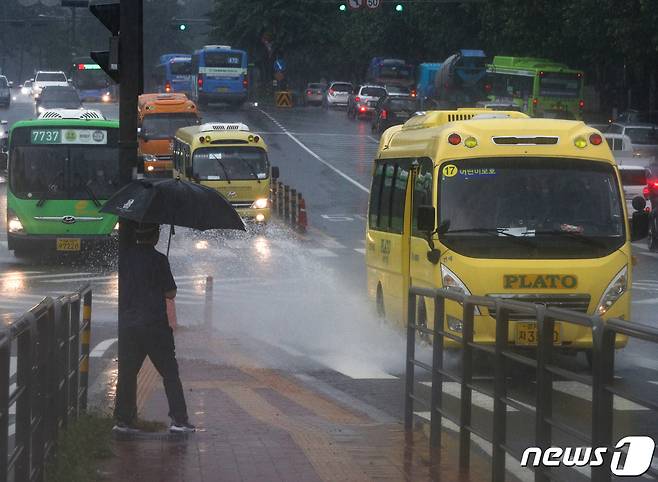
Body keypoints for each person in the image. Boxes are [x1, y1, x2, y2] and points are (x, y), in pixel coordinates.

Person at [113, 223, 195, 434]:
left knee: (128, 373)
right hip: (155, 325)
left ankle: (122, 421)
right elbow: (171, 293)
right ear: (156, 236)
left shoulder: (126, 258)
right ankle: (179, 420)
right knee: (169, 373)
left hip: (130, 325)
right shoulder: (159, 260)